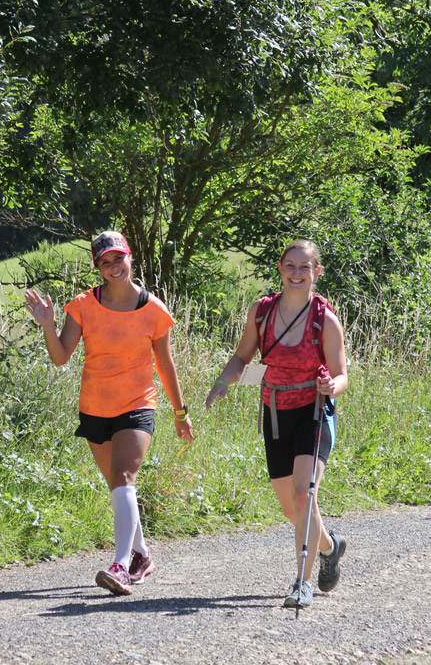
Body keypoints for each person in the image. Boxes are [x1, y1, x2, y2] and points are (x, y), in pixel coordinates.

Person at [24, 231, 194, 596]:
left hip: (137, 405)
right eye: (106, 262)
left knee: (123, 476)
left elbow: (165, 365)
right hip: (95, 408)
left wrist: (180, 413)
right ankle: (142, 556)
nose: (114, 267)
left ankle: (119, 565)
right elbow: (60, 357)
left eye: (119, 258)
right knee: (119, 487)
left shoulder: (154, 309)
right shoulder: (83, 305)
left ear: (130, 258)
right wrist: (48, 324)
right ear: (98, 267)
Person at [206, 240, 348, 609]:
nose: (297, 273)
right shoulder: (262, 312)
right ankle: (330, 547)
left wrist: (333, 385)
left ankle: (302, 584)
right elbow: (242, 357)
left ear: (317, 272)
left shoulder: (324, 319)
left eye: (305, 267)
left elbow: (342, 374)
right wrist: (223, 382)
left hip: (314, 411)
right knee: (292, 508)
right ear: (281, 268)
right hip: (274, 411)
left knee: (305, 496)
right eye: (290, 266)